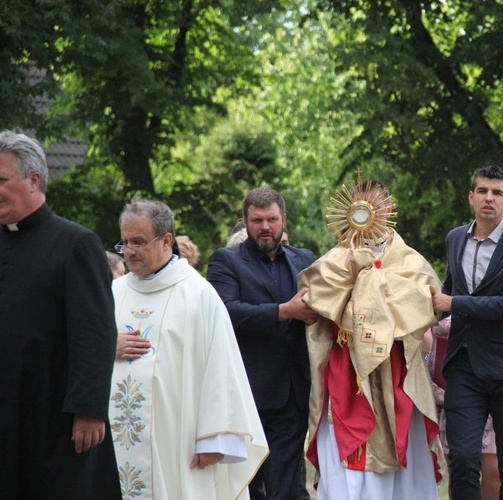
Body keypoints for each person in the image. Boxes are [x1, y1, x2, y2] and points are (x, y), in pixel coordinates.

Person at [109, 198, 269, 499]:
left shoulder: (198, 294)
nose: (129, 251)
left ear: (167, 240)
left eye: (139, 242)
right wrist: (105, 347)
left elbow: (222, 367)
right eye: (125, 242)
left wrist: (215, 439)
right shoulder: (114, 292)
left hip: (178, 439)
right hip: (116, 440)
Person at [299, 178, 445, 499]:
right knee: (346, 451)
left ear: (388, 208)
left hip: (396, 369)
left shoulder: (409, 261)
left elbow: (425, 302)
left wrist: (373, 284)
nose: (369, 211)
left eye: (377, 205)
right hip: (347, 370)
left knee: (401, 452)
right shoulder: (336, 260)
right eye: (362, 205)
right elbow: (314, 299)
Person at [0, 130, 120, 498]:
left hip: (53, 414)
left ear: (33, 180)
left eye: (1, 180)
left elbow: (95, 333)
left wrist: (89, 409)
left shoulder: (76, 243)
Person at [432, 164, 503, 500]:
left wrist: (455, 303)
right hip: (464, 366)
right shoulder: (454, 238)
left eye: (497, 193)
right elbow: (446, 298)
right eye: (482, 191)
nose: (489, 198)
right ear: (471, 197)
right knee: (462, 459)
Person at [207, 187, 317, 500]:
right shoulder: (226, 261)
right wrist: (285, 311)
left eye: (271, 219)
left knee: (285, 486)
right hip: (247, 390)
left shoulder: (305, 259)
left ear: (283, 220)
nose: (265, 227)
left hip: (294, 390)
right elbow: (225, 311)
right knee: (245, 485)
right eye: (257, 220)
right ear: (245, 222)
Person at [426, 316, 501, 500]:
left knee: (494, 469)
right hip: (451, 388)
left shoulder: (498, 292)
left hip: (491, 378)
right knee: (460, 468)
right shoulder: (440, 295)